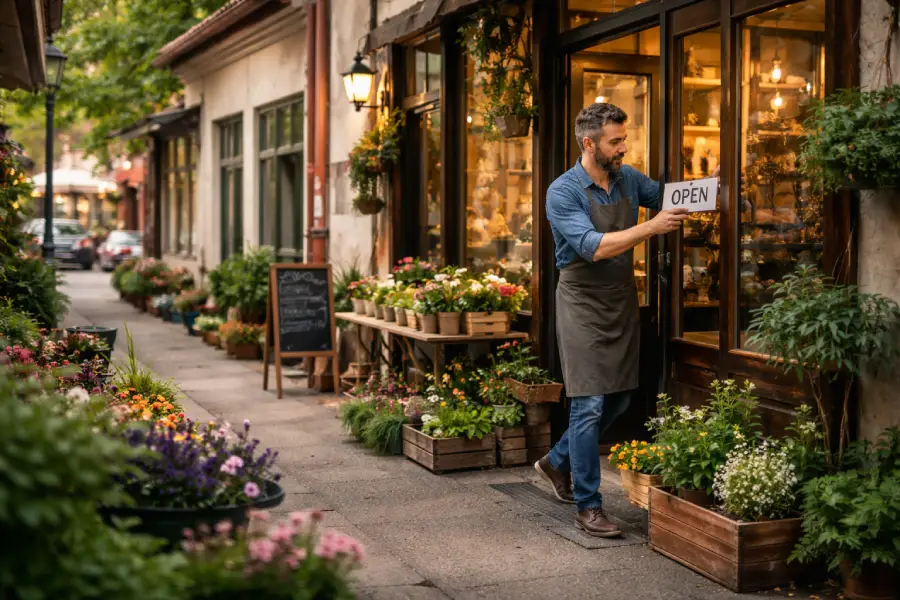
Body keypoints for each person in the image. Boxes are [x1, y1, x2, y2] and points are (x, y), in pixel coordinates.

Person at [534, 103, 691, 538]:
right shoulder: (562, 191)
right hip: (581, 302)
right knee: (589, 403)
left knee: (620, 398)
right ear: (589, 143)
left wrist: (712, 184)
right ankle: (588, 504)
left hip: (620, 299)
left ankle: (556, 461)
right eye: (615, 141)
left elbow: (669, 198)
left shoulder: (628, 179)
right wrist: (651, 228)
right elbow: (594, 246)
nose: (624, 147)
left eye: (624, 139)